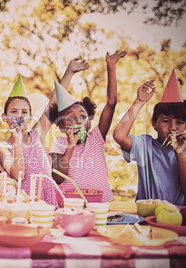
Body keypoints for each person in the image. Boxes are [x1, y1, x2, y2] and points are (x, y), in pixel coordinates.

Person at [113, 70, 186, 206]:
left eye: (179, 123)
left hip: (177, 219)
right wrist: (139, 102)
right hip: (146, 217)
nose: (172, 127)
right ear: (154, 123)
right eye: (166, 121)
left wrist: (180, 154)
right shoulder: (145, 145)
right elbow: (119, 135)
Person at [48, 51, 126, 203]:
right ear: (62, 127)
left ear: (89, 123)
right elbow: (57, 178)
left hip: (101, 204)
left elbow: (111, 103)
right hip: (72, 205)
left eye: (83, 117)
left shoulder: (96, 137)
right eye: (70, 117)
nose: (78, 120)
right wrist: (70, 147)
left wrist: (111, 67)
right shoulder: (60, 143)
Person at [0, 71, 75, 206]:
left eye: (24, 112)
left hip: (49, 202)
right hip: (26, 204)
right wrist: (17, 140)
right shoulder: (3, 147)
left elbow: (54, 101)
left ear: (30, 118)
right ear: (4, 117)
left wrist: (70, 71)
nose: (19, 116)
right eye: (14, 112)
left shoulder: (37, 135)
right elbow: (18, 174)